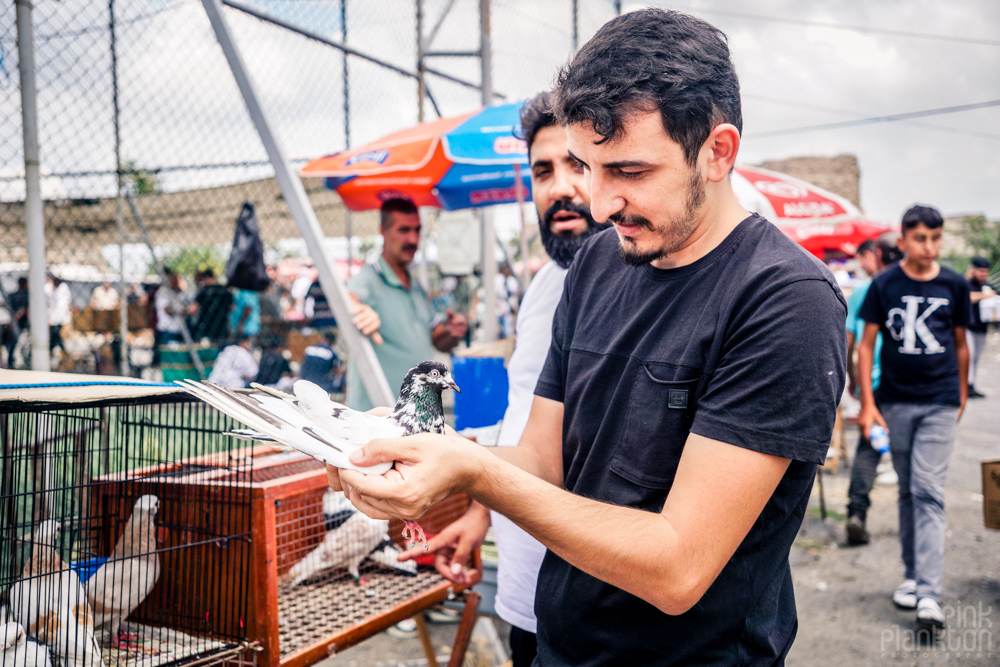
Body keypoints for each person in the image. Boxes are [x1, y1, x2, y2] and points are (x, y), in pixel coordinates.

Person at [329, 10, 846, 664]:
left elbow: (678, 566)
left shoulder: (785, 300)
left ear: (717, 152)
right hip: (560, 645)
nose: (599, 203)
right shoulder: (601, 262)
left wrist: (477, 472)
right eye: (585, 166)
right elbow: (546, 458)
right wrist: (430, 452)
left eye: (628, 171)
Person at [397, 91, 612, 666]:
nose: (559, 187)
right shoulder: (544, 288)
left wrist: (465, 468)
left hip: (599, 605)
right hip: (525, 590)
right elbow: (524, 418)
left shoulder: (634, 290)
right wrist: (480, 511)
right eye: (543, 170)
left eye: (578, 165)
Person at [857, 204, 970, 631]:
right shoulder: (883, 285)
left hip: (940, 401)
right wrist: (868, 405)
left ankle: (929, 595)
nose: (929, 246)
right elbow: (866, 346)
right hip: (895, 403)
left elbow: (961, 344)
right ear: (902, 241)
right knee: (908, 490)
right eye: (920, 238)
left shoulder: (955, 285)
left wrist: (959, 396)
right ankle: (911, 575)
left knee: (927, 489)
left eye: (935, 238)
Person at [344, 198, 468, 411]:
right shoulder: (370, 278)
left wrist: (453, 331)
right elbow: (347, 299)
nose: (412, 238)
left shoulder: (416, 286)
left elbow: (438, 339)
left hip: (415, 415)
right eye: (404, 230)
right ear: (383, 231)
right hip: (377, 415)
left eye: (417, 230)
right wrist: (359, 311)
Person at [844, 237, 902, 545]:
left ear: (876, 256)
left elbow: (850, 342)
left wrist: (852, 379)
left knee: (868, 448)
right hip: (908, 382)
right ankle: (917, 521)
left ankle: (857, 512)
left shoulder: (864, 290)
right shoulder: (908, 283)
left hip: (874, 381)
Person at [966, 256, 995, 398]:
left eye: (985, 272)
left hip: (982, 328)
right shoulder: (966, 283)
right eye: (981, 271)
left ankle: (971, 385)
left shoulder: (987, 286)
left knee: (976, 358)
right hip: (968, 328)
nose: (983, 275)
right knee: (969, 357)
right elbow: (967, 297)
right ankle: (965, 385)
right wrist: (985, 296)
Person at [191, 269, 233, 344]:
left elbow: (193, 309)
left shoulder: (203, 291)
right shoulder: (224, 290)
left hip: (206, 327)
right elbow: (232, 307)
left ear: (205, 278)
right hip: (222, 326)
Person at [2, 278, 29, 368]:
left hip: (15, 323)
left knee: (13, 345)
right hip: (20, 324)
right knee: (14, 344)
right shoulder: (26, 295)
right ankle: (12, 362)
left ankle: (12, 362)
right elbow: (23, 310)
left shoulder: (12, 295)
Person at [46, 275, 72, 354]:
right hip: (52, 317)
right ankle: (64, 352)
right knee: (55, 336)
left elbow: (68, 302)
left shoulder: (63, 287)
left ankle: (57, 351)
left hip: (62, 317)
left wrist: (70, 315)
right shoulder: (48, 288)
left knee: (56, 336)